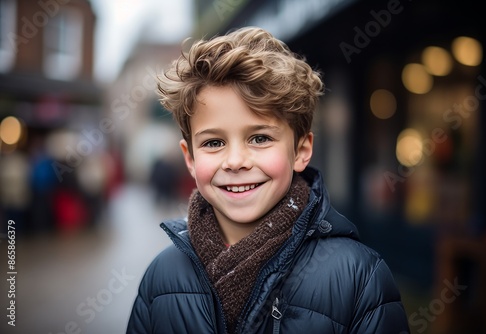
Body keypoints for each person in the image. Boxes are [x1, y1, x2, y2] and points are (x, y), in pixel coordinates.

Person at [126, 26, 410, 334]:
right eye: (213, 142)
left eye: (259, 138)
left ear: (301, 150)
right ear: (190, 158)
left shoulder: (360, 278)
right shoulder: (161, 277)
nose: (235, 161)